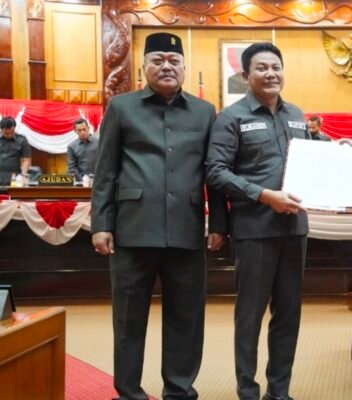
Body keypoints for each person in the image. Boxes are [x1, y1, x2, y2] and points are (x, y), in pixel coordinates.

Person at [90, 32, 227, 400]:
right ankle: (128, 392)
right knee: (128, 320)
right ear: (144, 66)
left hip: (186, 230)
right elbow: (105, 171)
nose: (167, 66)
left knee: (186, 319)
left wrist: (219, 224)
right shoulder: (121, 107)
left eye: (174, 60)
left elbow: (213, 172)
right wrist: (101, 224)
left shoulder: (204, 111)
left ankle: (179, 390)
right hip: (132, 230)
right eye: (158, 60)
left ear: (184, 67)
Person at [207, 42, 309, 400]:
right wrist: (264, 195)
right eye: (261, 68)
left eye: (276, 67)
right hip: (255, 230)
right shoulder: (230, 117)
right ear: (245, 75)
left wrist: (335, 148)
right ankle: (247, 391)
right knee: (249, 315)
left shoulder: (296, 114)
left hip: (294, 229)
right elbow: (215, 172)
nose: (270, 74)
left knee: (288, 314)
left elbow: (309, 159)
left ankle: (278, 392)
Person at [0, 116, 31, 186]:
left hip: (14, 178)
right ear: (1, 129)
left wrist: (23, 175)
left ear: (14, 128)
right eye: (6, 133)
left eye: (12, 132)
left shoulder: (22, 140)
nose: (9, 135)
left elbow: (26, 160)